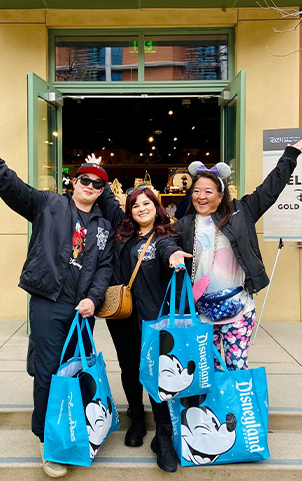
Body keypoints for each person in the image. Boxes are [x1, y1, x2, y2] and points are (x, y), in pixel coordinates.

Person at [0, 130, 114, 479]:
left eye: (97, 185)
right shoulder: (50, 204)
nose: (89, 187)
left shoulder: (103, 225)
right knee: (49, 373)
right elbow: (16, 192)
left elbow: (105, 268)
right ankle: (48, 439)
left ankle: (73, 427)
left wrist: (93, 300)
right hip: (49, 302)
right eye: (84, 180)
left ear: (101, 193)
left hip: (82, 309)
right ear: (74, 183)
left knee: (75, 372)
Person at [168, 136, 302, 371]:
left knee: (236, 367)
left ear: (220, 194)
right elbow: (166, 242)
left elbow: (270, 189)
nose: (201, 196)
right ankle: (214, 408)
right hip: (201, 314)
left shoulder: (241, 212)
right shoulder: (185, 224)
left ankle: (239, 407)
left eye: (207, 191)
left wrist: (290, 156)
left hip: (238, 309)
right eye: (196, 191)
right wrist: (172, 252)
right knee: (207, 371)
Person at [94, 182, 191, 473]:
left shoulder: (166, 236)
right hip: (122, 316)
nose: (141, 208)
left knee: (156, 373)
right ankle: (136, 417)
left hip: (153, 319)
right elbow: (110, 202)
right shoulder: (122, 233)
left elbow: (169, 251)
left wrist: (174, 258)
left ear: (156, 206)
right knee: (128, 368)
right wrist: (100, 176)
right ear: (130, 211)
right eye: (135, 205)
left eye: (146, 203)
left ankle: (163, 434)